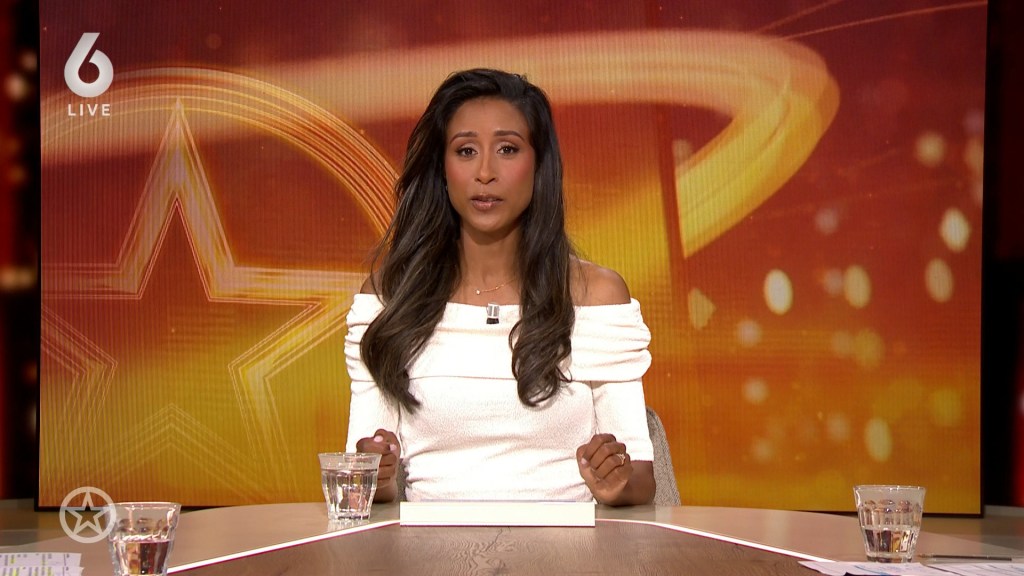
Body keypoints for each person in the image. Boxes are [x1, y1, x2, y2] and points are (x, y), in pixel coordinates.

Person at [344, 68, 655, 506]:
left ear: (539, 164)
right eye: (466, 151)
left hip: (569, 544)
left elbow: (640, 478)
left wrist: (616, 483)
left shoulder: (595, 298)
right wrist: (377, 479)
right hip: (425, 544)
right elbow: (362, 480)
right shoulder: (389, 299)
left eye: (507, 149)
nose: (485, 172)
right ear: (442, 168)